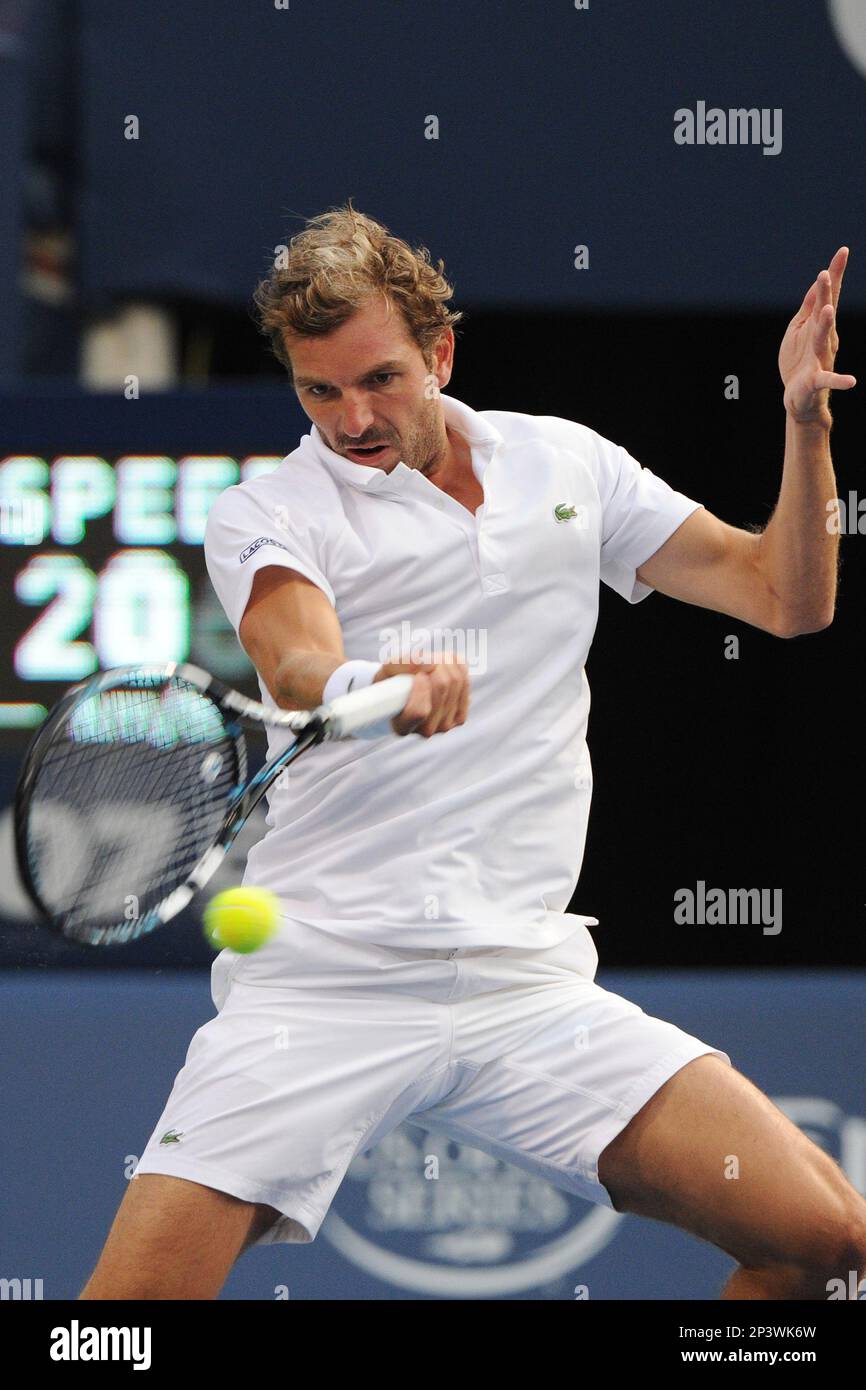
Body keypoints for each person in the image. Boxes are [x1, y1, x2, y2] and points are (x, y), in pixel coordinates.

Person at [81, 206, 865, 1300]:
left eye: (380, 380)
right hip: (324, 989)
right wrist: (371, 690)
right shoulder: (269, 510)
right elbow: (295, 656)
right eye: (319, 391)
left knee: (822, 1240)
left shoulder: (566, 464)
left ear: (440, 352)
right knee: (120, 1321)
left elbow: (784, 598)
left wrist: (801, 424)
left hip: (524, 984)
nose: (352, 417)